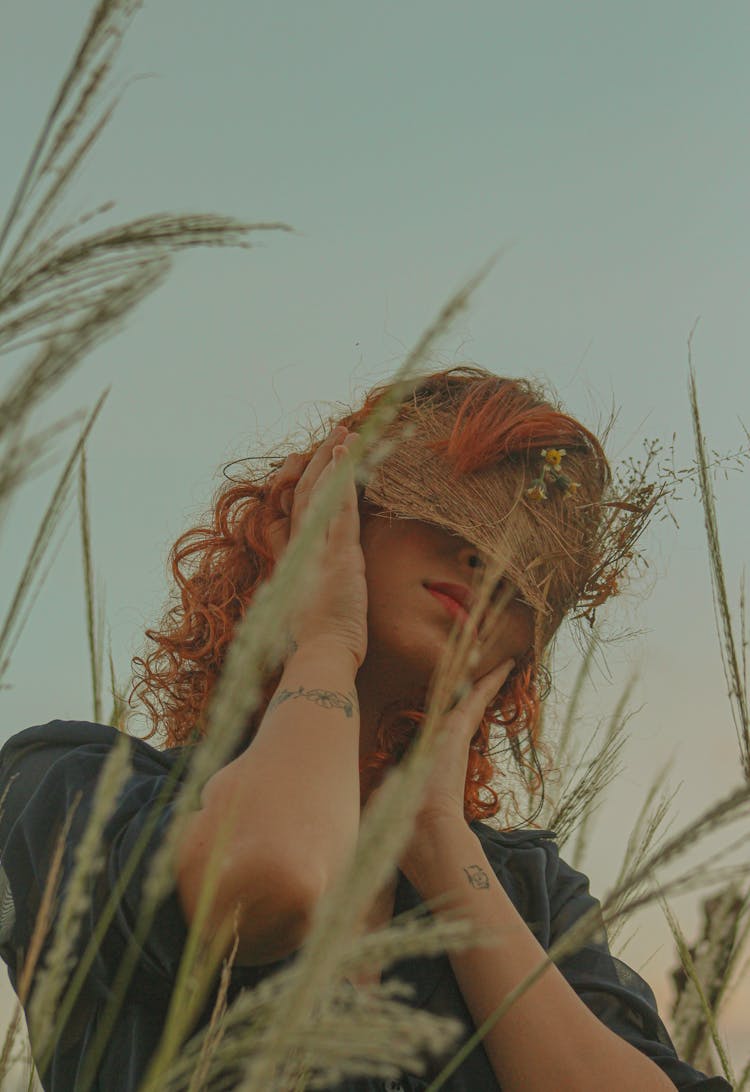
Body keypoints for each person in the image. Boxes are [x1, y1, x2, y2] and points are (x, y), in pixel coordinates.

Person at [0, 367, 733, 1091]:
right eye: (448, 503)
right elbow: (268, 884)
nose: (486, 557)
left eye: (534, 558)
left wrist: (439, 841)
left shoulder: (532, 895)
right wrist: (325, 644)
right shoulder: (74, 786)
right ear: (332, 506)